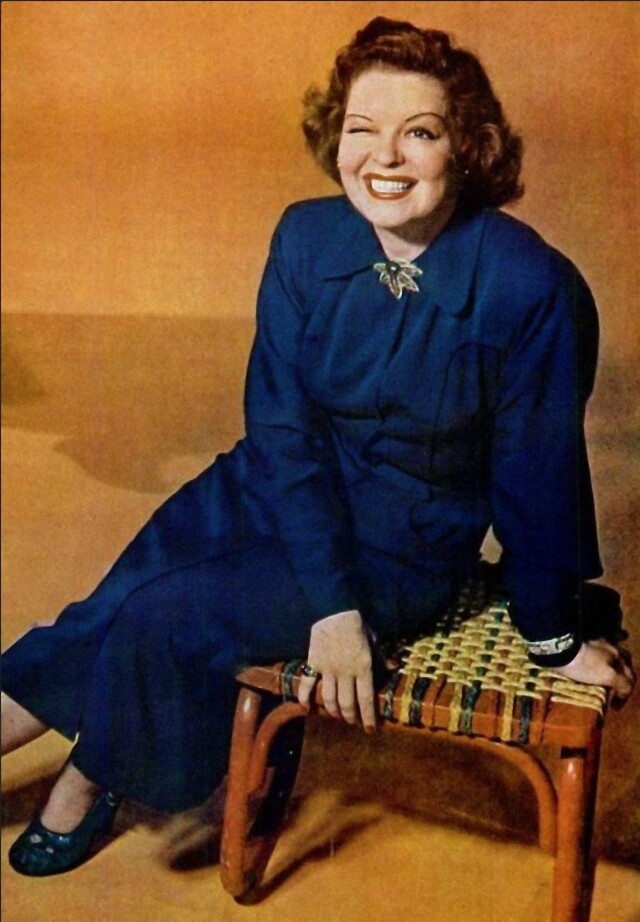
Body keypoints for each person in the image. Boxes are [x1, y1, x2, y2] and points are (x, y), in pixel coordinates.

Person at [2, 15, 635, 878]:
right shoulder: (304, 236)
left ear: (468, 149)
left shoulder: (533, 286)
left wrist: (551, 634)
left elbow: (538, 474)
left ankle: (87, 778)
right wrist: (327, 609)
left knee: (163, 615)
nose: (385, 158)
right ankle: (71, 748)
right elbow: (282, 425)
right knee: (111, 605)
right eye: (362, 130)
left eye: (420, 133)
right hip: (270, 485)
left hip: (400, 545)